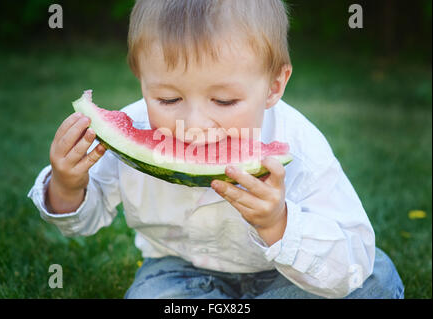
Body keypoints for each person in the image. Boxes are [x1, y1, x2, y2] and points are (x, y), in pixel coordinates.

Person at [28, 0, 404, 299]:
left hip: (284, 276)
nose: (194, 125)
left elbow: (351, 254)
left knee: (375, 281)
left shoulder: (299, 145)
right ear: (141, 78)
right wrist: (67, 186)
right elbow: (82, 220)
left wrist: (279, 224)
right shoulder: (133, 129)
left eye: (223, 101)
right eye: (168, 98)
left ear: (274, 86)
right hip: (178, 272)